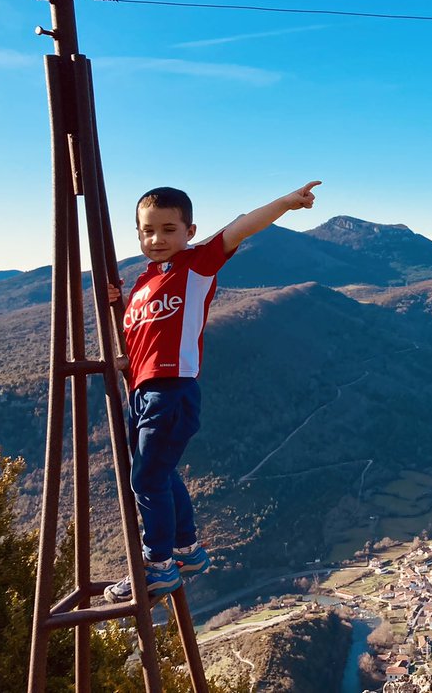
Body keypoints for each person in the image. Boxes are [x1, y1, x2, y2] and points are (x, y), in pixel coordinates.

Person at [103, 181, 321, 602]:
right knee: (159, 474)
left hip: (172, 391)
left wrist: (286, 202)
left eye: (169, 229)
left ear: (189, 231)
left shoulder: (195, 265)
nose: (158, 239)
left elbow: (239, 228)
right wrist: (118, 316)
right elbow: (140, 341)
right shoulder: (143, 284)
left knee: (146, 478)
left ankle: (158, 566)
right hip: (143, 392)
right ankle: (187, 551)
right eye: (148, 231)